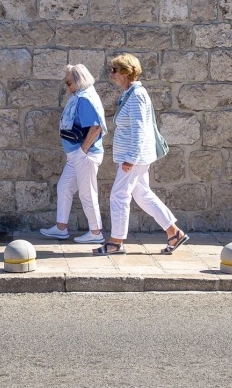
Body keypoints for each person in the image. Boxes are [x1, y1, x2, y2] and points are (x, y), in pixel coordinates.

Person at [94, 53, 188, 256]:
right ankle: (174, 233)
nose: (111, 74)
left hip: (134, 158)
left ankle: (116, 242)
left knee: (119, 196)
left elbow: (139, 130)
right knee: (143, 195)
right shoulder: (129, 94)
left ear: (126, 72)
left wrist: (131, 158)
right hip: (136, 157)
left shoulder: (136, 96)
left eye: (115, 70)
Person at [40, 63, 107, 244]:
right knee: (64, 187)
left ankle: (96, 232)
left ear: (79, 81)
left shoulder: (84, 99)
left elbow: (96, 126)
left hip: (84, 154)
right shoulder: (82, 95)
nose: (67, 86)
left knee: (87, 193)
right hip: (77, 154)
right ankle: (61, 228)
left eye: (69, 83)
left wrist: (82, 151)